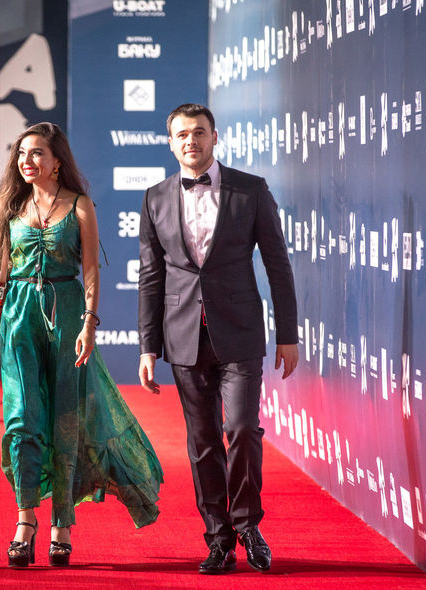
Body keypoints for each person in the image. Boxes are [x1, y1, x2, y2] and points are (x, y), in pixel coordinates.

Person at [0, 122, 163, 568]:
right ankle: (25, 520)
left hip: (67, 312)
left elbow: (91, 269)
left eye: (36, 154)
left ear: (56, 161)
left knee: (66, 420)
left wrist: (89, 323)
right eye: (21, 154)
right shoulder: (12, 204)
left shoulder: (79, 204)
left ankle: (62, 524)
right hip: (19, 317)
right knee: (21, 418)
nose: (26, 161)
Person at [138, 104, 298, 575]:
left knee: (243, 428)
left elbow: (278, 263)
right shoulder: (154, 198)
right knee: (203, 440)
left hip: (240, 331)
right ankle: (219, 539)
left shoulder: (251, 189)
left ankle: (248, 525)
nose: (191, 141)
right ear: (171, 142)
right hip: (183, 335)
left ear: (215, 137)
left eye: (199, 132)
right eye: (182, 134)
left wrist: (288, 334)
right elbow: (151, 277)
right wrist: (148, 346)